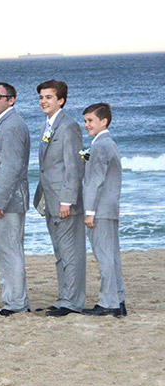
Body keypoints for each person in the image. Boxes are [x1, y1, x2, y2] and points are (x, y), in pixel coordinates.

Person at [33, 80, 86, 316]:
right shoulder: (48, 125)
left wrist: (67, 200)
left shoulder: (68, 126)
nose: (44, 101)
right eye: (42, 97)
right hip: (51, 199)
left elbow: (74, 166)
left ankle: (73, 302)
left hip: (65, 202)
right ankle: (64, 296)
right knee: (59, 252)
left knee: (70, 251)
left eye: (49, 97)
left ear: (61, 100)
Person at [0, 82, 31, 316]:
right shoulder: (0, 122)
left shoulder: (12, 126)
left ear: (11, 100)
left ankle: (17, 303)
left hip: (8, 201)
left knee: (10, 251)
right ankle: (13, 300)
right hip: (1, 199)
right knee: (5, 252)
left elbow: (11, 168)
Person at [81, 103, 126, 317]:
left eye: (90, 121)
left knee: (105, 256)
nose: (86, 125)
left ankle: (109, 303)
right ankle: (119, 298)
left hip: (100, 210)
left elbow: (95, 182)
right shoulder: (110, 143)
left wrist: (89, 212)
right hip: (110, 208)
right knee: (113, 255)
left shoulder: (99, 145)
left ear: (103, 121)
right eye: (85, 121)